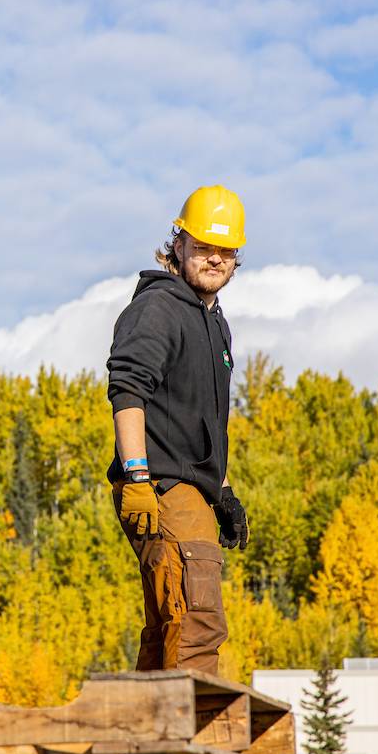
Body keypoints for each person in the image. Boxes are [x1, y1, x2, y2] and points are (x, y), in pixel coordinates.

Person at [106, 184, 251, 677]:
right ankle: (192, 741)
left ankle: (143, 738)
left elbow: (205, 421)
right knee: (197, 617)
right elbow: (127, 391)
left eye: (225, 250)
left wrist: (224, 493)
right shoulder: (160, 308)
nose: (215, 258)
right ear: (179, 242)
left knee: (170, 622)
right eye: (203, 246)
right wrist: (139, 479)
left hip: (193, 491)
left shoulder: (215, 324)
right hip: (162, 485)